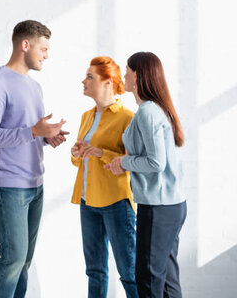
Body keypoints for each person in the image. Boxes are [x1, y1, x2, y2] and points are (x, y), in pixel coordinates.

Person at [0, 20, 68, 298]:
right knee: (12, 259)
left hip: (35, 183)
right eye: (43, 48)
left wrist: (45, 136)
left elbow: (26, 132)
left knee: (24, 261)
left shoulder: (34, 86)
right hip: (8, 186)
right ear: (24, 45)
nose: (46, 55)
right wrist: (32, 131)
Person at [104, 52, 187, 298]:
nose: (124, 75)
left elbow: (156, 162)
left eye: (128, 70)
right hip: (171, 206)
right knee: (167, 280)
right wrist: (123, 162)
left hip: (158, 208)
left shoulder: (148, 112)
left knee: (148, 280)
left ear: (138, 74)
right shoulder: (152, 109)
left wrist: (124, 162)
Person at [70, 57, 138, 298]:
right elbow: (79, 161)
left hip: (116, 203)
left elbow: (131, 163)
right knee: (95, 271)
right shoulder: (86, 116)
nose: (83, 81)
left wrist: (100, 152)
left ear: (108, 82)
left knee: (129, 272)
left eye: (90, 77)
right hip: (88, 202)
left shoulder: (127, 118)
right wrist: (77, 153)